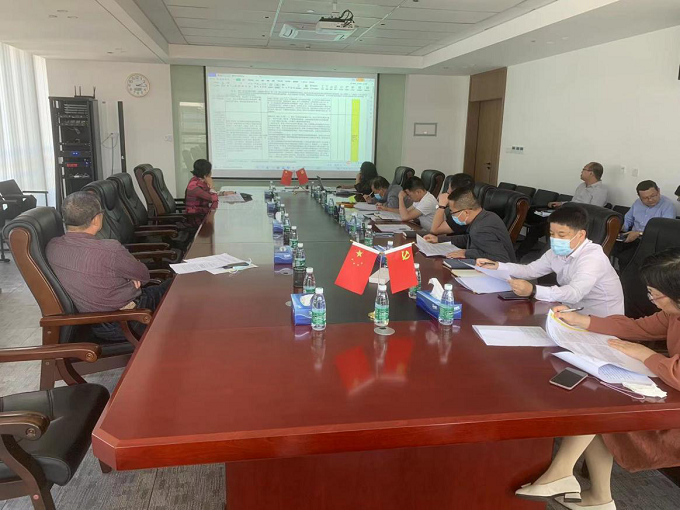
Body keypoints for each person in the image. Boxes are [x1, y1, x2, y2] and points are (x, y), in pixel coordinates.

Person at [514, 247, 680, 510]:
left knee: (602, 405)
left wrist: (646, 355)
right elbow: (638, 327)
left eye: (655, 294)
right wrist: (581, 320)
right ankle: (594, 494)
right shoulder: (673, 312)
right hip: (668, 392)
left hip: (673, 412)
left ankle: (563, 475)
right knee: (599, 397)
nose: (651, 300)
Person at [46, 191, 172, 342]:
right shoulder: (109, 249)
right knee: (177, 286)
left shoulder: (52, 246)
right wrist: (129, 279)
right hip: (127, 320)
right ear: (96, 219)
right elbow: (144, 276)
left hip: (97, 322)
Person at [477, 206, 623, 317]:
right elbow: (530, 270)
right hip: (570, 313)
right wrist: (498, 266)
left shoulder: (593, 257)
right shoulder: (556, 252)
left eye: (562, 235)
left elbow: (575, 293)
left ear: (581, 235)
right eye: (552, 234)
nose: (555, 239)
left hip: (601, 321)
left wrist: (534, 290)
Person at [517, 162, 608, 259]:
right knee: (537, 226)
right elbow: (574, 202)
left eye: (584, 169)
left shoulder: (600, 191)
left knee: (546, 228)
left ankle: (544, 258)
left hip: (577, 222)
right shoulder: (582, 186)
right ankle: (518, 255)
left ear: (591, 173)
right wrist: (561, 203)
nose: (581, 172)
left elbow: (593, 212)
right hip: (568, 216)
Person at [424, 187, 516, 262]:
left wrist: (467, 253)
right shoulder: (485, 216)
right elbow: (469, 239)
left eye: (452, 212)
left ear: (466, 212)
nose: (452, 215)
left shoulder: (481, 228)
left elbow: (502, 259)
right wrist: (439, 239)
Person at [611, 180, 676, 271]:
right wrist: (620, 228)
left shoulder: (668, 205)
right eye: (645, 198)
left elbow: (664, 230)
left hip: (651, 241)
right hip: (632, 237)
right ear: (639, 197)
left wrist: (639, 233)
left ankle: (628, 278)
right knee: (606, 246)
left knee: (627, 258)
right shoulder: (637, 203)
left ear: (658, 191)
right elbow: (628, 219)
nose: (650, 200)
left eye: (653, 196)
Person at [185, 159, 234, 227]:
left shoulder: (198, 180)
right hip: (196, 216)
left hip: (203, 212)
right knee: (222, 223)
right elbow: (212, 198)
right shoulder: (194, 185)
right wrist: (211, 186)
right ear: (206, 173)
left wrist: (223, 193)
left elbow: (208, 193)